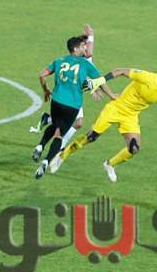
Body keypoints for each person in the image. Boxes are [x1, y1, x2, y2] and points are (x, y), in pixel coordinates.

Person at [51, 63, 157, 182]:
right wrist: (99, 81)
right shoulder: (146, 77)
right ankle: (62, 155)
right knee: (91, 137)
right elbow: (120, 71)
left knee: (134, 148)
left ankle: (110, 164)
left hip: (130, 117)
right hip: (115, 108)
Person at [34, 36, 108, 179]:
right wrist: (111, 94)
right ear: (76, 49)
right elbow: (100, 79)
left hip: (56, 101)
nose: (85, 47)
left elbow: (42, 75)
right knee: (59, 134)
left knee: (56, 125)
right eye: (82, 46)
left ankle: (41, 144)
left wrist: (46, 90)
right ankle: (46, 161)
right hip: (72, 105)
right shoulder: (85, 63)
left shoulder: (59, 61)